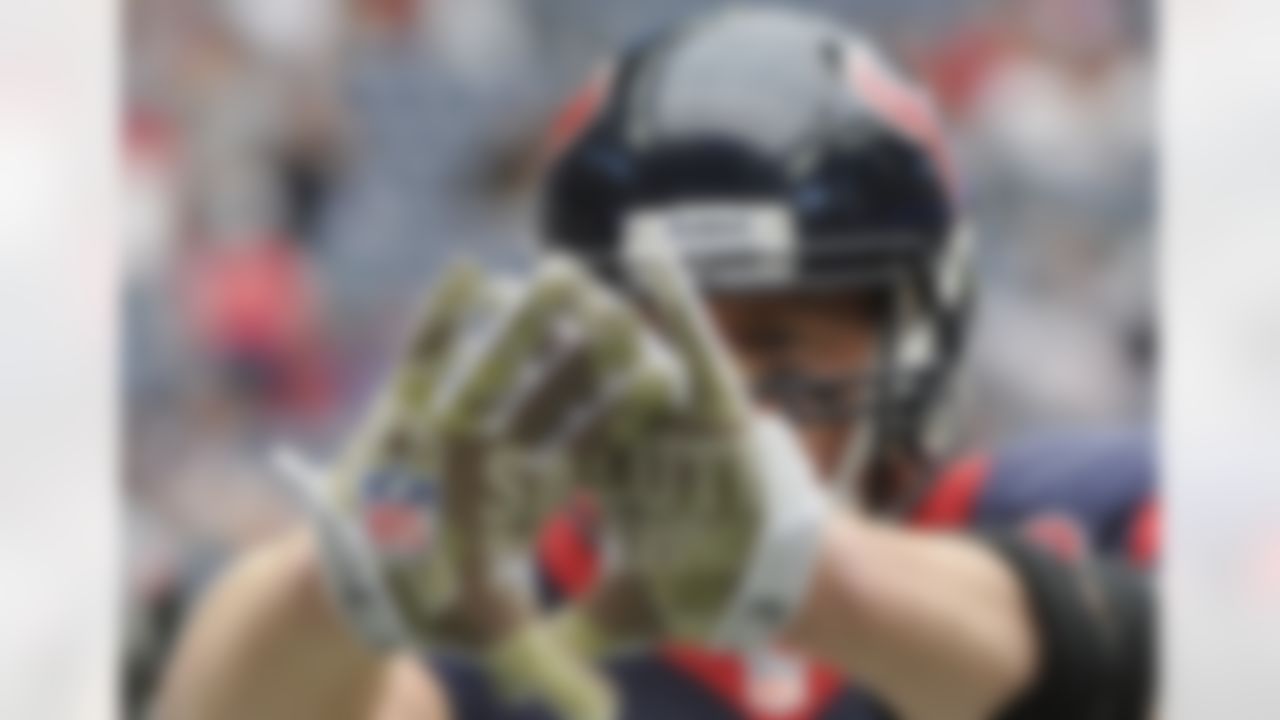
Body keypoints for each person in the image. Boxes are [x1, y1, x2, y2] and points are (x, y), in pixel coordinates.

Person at [158, 7, 1155, 720]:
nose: (709, 398)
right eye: (661, 340)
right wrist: (337, 584)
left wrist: (813, 579)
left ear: (909, 331)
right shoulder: (523, 607)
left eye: (775, 339)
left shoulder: (1095, 507)